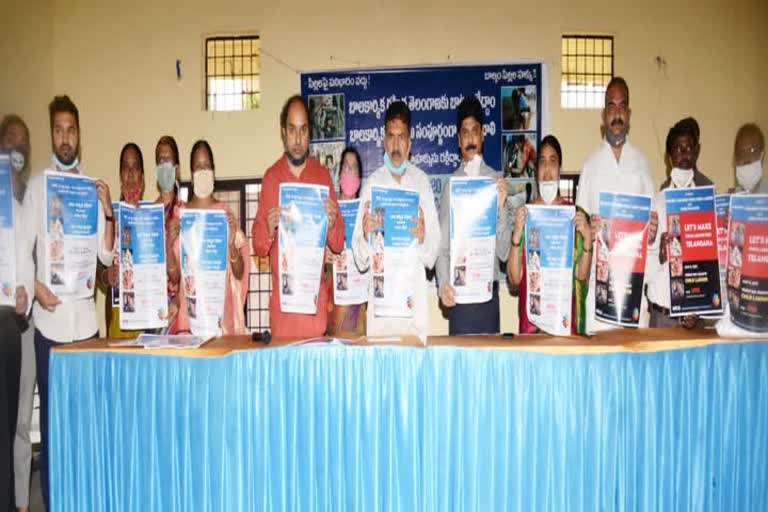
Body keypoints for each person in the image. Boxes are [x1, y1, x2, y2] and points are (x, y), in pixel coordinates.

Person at [26, 95, 116, 508]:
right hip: (49, 327)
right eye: (59, 130)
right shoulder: (35, 188)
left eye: (72, 130)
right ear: (52, 134)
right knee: (53, 427)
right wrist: (34, 285)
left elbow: (105, 257)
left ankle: (87, 498)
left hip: (87, 328)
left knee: (87, 424)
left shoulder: (90, 188)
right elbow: (15, 254)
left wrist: (109, 212)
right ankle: (55, 500)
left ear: (80, 135)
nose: (66, 138)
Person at [252, 95, 344, 339]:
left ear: (310, 134)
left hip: (315, 314)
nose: (297, 139)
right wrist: (269, 228)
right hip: (283, 316)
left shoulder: (322, 176)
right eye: (292, 130)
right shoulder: (272, 178)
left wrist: (333, 222)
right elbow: (258, 247)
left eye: (303, 130)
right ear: (283, 132)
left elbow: (338, 242)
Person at [352, 101, 440, 342]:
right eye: (391, 137)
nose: (396, 145)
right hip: (381, 313)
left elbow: (432, 254)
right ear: (384, 139)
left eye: (401, 137)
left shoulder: (421, 183)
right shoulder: (372, 185)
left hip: (413, 313)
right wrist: (364, 232)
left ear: (410, 142)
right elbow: (360, 259)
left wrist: (423, 239)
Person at [575, 77, 658, 333]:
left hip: (632, 292)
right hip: (600, 293)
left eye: (623, 107)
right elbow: (580, 231)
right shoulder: (590, 166)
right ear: (603, 115)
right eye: (612, 106)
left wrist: (652, 231)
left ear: (630, 114)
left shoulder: (642, 164)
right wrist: (589, 228)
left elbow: (652, 228)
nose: (617, 114)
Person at [436, 96, 510, 335]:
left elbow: (504, 252)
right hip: (460, 300)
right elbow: (442, 247)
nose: (470, 139)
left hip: (488, 299)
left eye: (474, 132)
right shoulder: (451, 186)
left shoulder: (496, 183)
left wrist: (500, 210)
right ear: (458, 140)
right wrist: (442, 285)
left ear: (483, 136)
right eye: (465, 133)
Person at [507, 135, 592, 334]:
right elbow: (514, 279)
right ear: (536, 171)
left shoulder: (574, 216)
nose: (547, 170)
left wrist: (587, 237)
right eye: (542, 162)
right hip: (532, 327)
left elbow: (581, 275)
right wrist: (517, 235)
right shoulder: (525, 216)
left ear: (559, 169)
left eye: (552, 162)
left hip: (564, 325)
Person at [167, 140, 250, 335]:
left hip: (220, 322)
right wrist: (169, 245)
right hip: (190, 323)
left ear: (213, 171)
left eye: (206, 166)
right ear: (192, 174)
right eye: (198, 167)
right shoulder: (181, 215)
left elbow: (239, 274)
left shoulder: (224, 214)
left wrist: (231, 246)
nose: (203, 170)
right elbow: (175, 277)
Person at [647, 121, 715, 329]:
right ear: (669, 158)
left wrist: (700, 308)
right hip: (662, 318)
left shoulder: (707, 203)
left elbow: (712, 267)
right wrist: (659, 255)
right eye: (678, 149)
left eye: (689, 149)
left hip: (694, 320)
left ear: (696, 153)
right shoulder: (656, 203)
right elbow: (644, 273)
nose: (684, 155)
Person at [0, 115, 34, 511]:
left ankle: (22, 504)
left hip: (26, 326)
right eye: (11, 142)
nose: (18, 149)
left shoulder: (33, 196)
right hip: (1, 325)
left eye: (24, 143)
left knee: (22, 424)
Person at [98, 143, 146, 338]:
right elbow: (97, 267)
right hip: (118, 316)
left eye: (135, 167)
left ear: (142, 177)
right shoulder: (108, 216)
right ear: (120, 175)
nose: (131, 173)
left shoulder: (151, 219)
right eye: (126, 167)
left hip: (146, 319)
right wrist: (106, 276)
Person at [326, 147, 366, 337]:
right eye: (346, 167)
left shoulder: (366, 213)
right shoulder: (329, 211)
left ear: (360, 178)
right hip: (333, 301)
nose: (349, 172)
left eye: (354, 168)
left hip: (359, 302)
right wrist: (323, 255)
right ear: (339, 175)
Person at [153, 136, 185, 331]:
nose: (164, 165)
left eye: (169, 160)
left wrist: (179, 301)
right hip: (151, 309)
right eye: (160, 160)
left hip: (177, 311)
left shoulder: (186, 213)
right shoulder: (147, 214)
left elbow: (191, 268)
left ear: (177, 169)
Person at [731, 123, 766, 194]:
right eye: (741, 152)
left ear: (762, 155)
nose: (746, 158)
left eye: (752, 150)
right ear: (735, 160)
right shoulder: (730, 199)